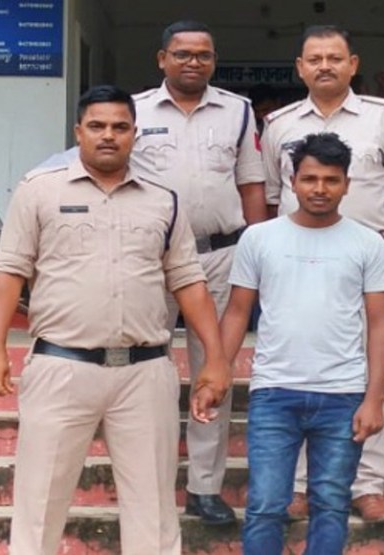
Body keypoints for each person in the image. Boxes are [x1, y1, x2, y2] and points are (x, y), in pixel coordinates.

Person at [0, 85, 231, 555]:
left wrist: (216, 358)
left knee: (153, 509)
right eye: (97, 126)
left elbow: (189, 282)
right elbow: (9, 272)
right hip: (61, 367)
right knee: (39, 503)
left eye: (120, 127)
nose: (108, 135)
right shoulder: (39, 190)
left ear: (135, 134)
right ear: (79, 132)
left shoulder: (163, 199)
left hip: (144, 372)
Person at [262, 24, 384, 523]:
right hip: (294, 259)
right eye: (315, 59)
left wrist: (364, 242)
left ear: (353, 64)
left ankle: (367, 485)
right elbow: (272, 196)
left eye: (335, 58)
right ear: (300, 68)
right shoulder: (279, 125)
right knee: (299, 366)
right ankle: (299, 486)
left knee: (365, 367)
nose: (325, 66)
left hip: (362, 260)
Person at [221, 132, 384, 554]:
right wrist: (217, 371)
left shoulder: (368, 242)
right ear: (292, 181)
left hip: (343, 394)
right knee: (265, 505)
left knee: (331, 504)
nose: (320, 189)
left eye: (331, 180)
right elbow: (238, 311)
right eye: (310, 179)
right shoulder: (259, 238)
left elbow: (380, 324)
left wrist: (374, 398)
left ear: (347, 184)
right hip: (274, 392)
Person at [131, 20, 266, 525]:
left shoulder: (238, 111)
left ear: (214, 61)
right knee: (146, 372)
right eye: (182, 54)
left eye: (203, 55)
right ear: (161, 59)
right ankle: (150, 483)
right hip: (149, 257)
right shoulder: (134, 110)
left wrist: (258, 251)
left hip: (220, 255)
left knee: (215, 367)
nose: (193, 62)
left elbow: (251, 185)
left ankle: (205, 487)